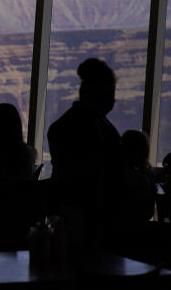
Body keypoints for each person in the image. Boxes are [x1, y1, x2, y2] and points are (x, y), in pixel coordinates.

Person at [47, 58, 122, 247]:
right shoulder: (97, 130)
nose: (114, 100)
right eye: (110, 93)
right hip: (85, 216)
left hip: (73, 211)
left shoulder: (63, 126)